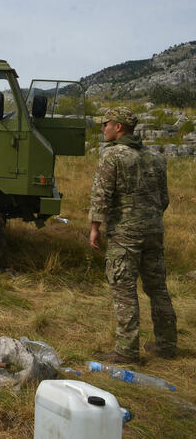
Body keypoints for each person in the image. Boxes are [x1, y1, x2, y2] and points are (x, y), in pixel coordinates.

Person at [88, 106, 177, 363]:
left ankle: (126, 351)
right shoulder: (156, 157)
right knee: (157, 287)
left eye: (106, 123)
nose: (103, 128)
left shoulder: (112, 156)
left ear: (118, 126)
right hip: (153, 231)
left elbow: (101, 197)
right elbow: (164, 199)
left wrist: (95, 229)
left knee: (124, 289)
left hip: (125, 233)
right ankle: (167, 344)